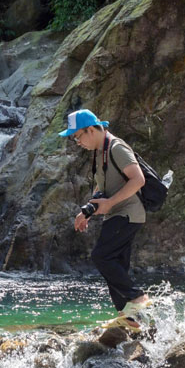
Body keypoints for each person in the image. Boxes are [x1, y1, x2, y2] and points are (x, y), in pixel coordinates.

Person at [62, 109, 151, 330]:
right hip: (117, 213)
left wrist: (110, 204)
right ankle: (130, 319)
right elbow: (103, 188)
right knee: (115, 265)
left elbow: (138, 180)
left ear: (90, 130)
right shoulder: (100, 151)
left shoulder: (116, 147)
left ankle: (137, 298)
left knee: (102, 257)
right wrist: (87, 211)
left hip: (127, 213)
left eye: (77, 136)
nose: (77, 142)